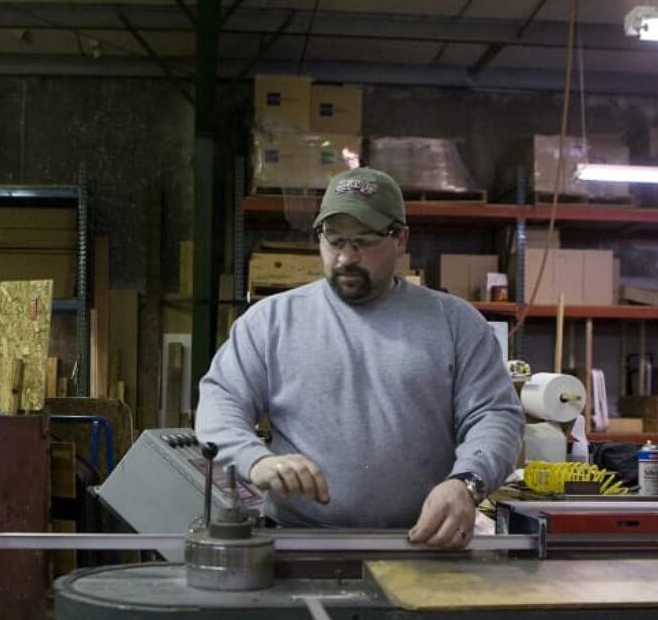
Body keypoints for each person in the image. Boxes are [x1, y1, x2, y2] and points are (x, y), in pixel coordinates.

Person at [195, 167, 524, 549]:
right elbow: (221, 405)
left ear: (401, 239)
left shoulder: (455, 323)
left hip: (426, 545)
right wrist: (256, 460)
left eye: (363, 241)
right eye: (334, 240)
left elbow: (494, 415)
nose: (345, 258)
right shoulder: (270, 322)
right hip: (298, 546)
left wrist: (467, 483)